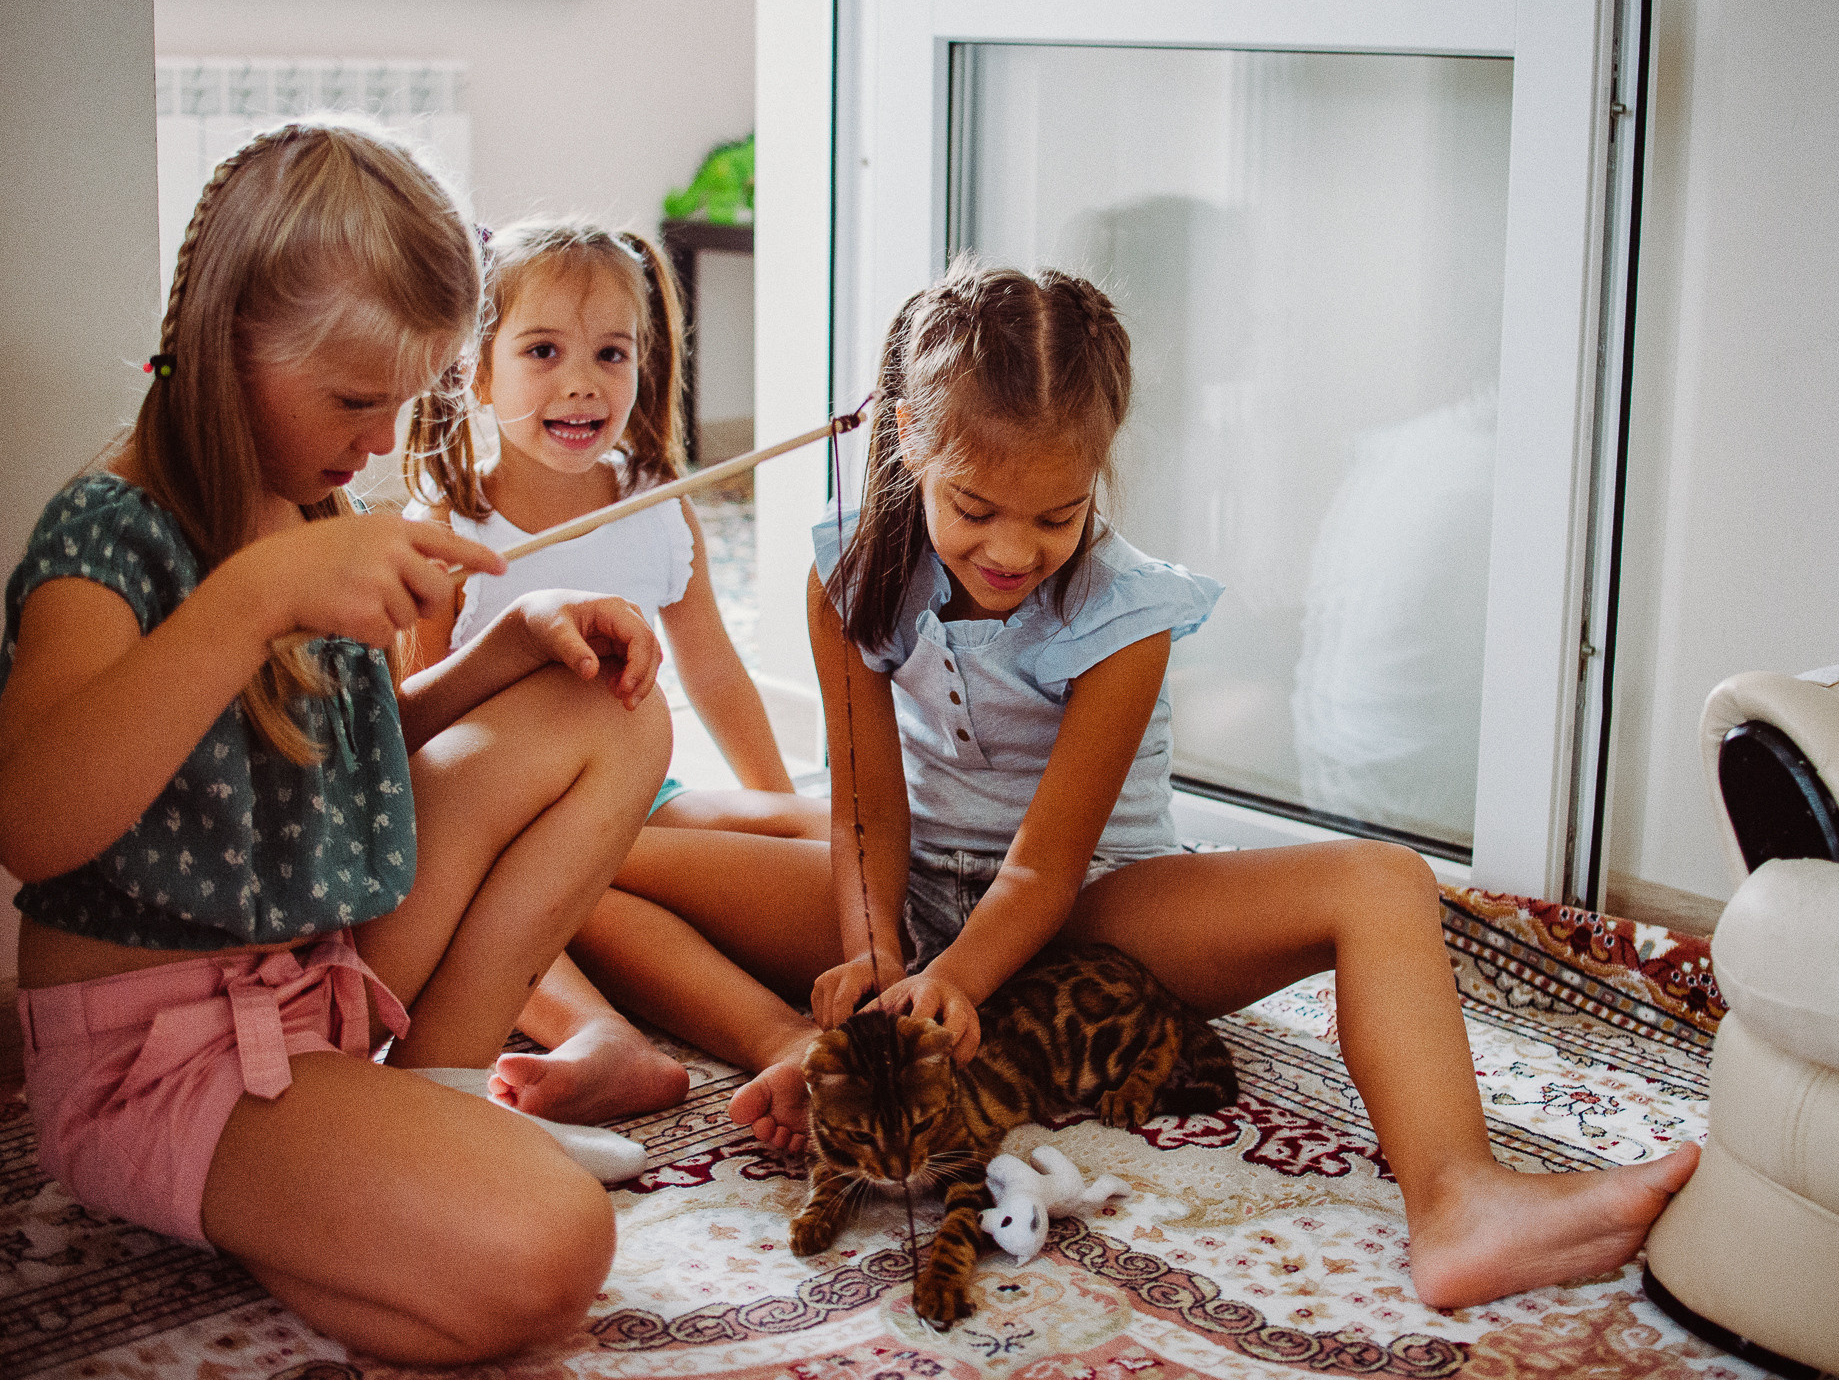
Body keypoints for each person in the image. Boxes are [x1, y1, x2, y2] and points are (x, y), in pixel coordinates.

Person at [727, 260, 1701, 1310]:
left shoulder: (1125, 614)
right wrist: (872, 947)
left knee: (1382, 882)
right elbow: (863, 809)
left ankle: (1458, 1200)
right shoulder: (846, 574)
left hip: (1092, 915)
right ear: (908, 436)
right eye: (974, 507)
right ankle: (781, 1048)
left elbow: (1044, 868)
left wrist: (958, 979)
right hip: (918, 888)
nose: (1012, 548)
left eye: (1055, 517)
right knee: (613, 864)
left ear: (1099, 473)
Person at [0, 121, 674, 1365]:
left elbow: (341, 767)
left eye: (404, 402)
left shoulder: (314, 503)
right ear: (218, 344)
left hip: (319, 978)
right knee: (550, 1251)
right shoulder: (108, 535)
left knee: (602, 707)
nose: (375, 438)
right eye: (355, 400)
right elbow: (32, 823)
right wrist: (253, 599)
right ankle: (307, 1187)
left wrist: (504, 652)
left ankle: (434, 1095)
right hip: (161, 1058)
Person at [401, 219, 829, 1123]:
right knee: (553, 888)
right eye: (543, 351)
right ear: (477, 372)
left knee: (828, 826)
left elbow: (714, 677)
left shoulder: (654, 509)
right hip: (504, 835)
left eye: (611, 353)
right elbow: (419, 740)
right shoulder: (450, 530)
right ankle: (640, 1035)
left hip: (647, 791)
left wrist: (770, 808)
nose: (582, 381)